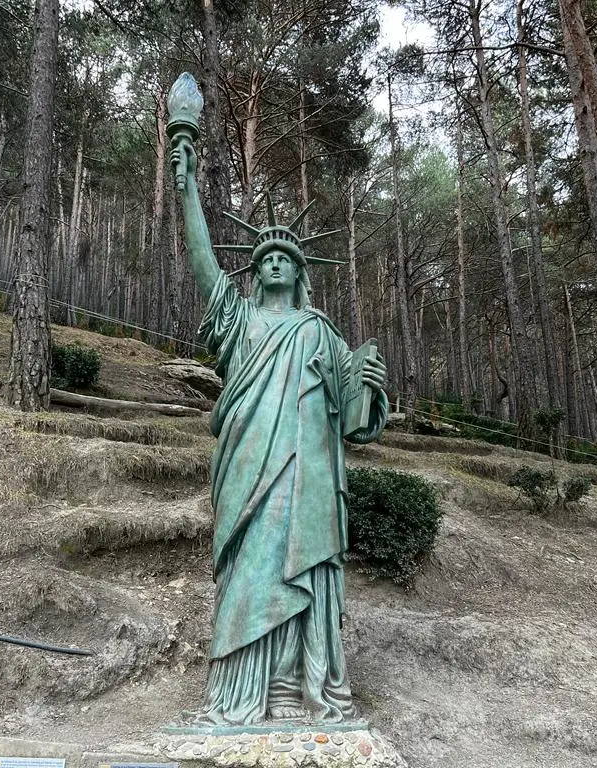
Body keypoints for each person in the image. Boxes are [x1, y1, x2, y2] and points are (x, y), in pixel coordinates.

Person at [171, 139, 389, 726]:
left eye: (284, 257)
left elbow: (355, 412)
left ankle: (295, 687)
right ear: (256, 269)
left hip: (308, 471)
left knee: (303, 566)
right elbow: (203, 266)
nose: (273, 262)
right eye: (264, 256)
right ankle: (239, 695)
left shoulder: (319, 331)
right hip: (247, 463)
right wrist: (187, 186)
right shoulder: (238, 320)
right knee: (253, 570)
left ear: (298, 272)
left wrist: (367, 381)